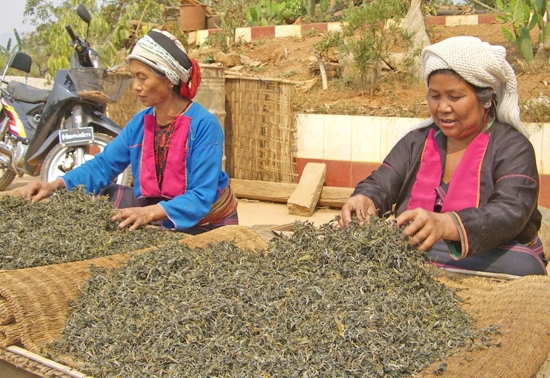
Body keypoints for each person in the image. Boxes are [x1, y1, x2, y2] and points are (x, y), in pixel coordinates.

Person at [339, 36, 546, 276]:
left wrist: (447, 224)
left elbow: (511, 210)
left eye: (455, 97)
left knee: (523, 266)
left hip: (491, 254)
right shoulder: (416, 142)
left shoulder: (513, 147)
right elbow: (382, 181)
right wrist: (366, 198)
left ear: (486, 99)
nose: (442, 108)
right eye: (435, 96)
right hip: (418, 248)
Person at [20, 29, 238, 234]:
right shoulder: (140, 124)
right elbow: (103, 165)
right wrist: (55, 185)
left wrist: (148, 213)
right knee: (107, 195)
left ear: (170, 79)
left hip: (205, 221)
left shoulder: (204, 125)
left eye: (142, 77)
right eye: (133, 77)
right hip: (159, 214)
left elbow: (201, 196)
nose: (135, 86)